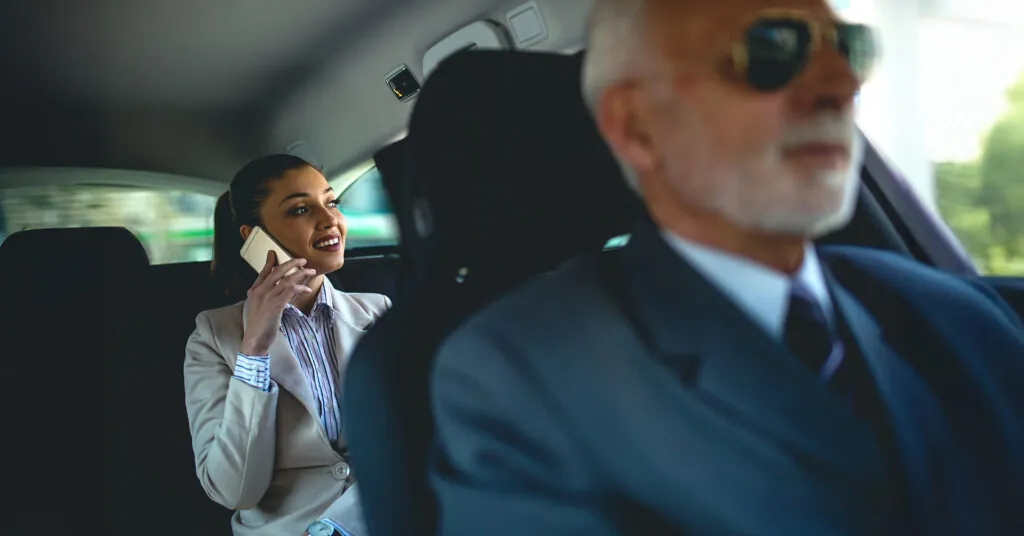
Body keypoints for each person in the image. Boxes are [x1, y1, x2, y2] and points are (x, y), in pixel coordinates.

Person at [427, 1, 1024, 535]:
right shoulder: (517, 377)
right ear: (639, 126)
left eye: (849, 49)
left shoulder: (955, 312)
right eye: (771, 49)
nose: (842, 84)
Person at [184, 154, 391, 536]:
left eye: (331, 202)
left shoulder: (379, 312)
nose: (329, 220)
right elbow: (233, 489)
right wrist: (254, 350)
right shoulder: (213, 336)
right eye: (300, 209)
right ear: (253, 236)